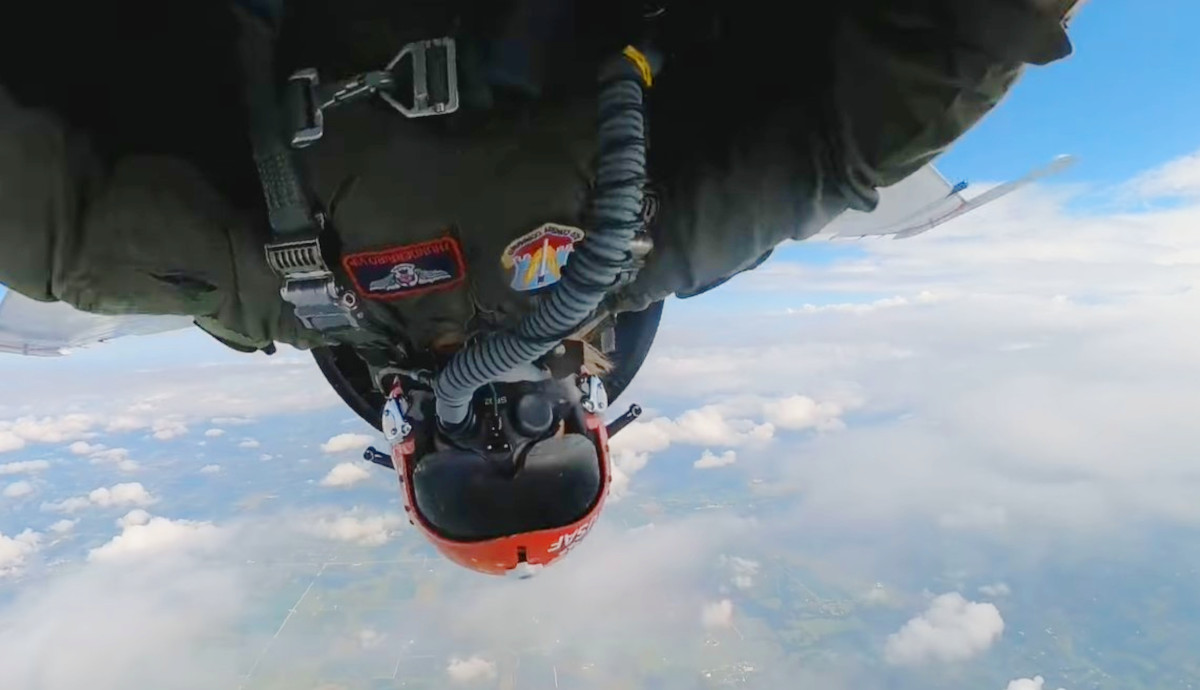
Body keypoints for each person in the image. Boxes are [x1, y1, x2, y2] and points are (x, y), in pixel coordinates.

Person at [0, 0, 1083, 576]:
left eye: (465, 495)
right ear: (597, 425)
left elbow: (63, 234)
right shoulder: (648, 250)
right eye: (553, 471)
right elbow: (835, 153)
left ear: (406, 457)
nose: (502, 447)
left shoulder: (296, 293)